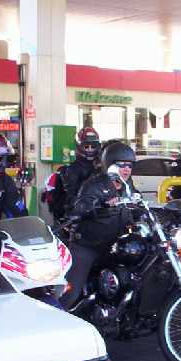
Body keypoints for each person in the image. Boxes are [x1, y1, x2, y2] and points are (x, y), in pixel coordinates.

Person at [59, 140, 139, 310]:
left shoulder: (127, 185)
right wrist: (99, 206)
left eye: (130, 166)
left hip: (115, 244)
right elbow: (80, 206)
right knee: (71, 291)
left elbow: (137, 203)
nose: (126, 169)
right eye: (121, 165)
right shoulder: (95, 184)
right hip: (90, 244)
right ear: (109, 164)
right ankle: (58, 315)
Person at [44, 127, 101, 222]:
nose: (90, 150)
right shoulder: (70, 169)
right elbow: (72, 197)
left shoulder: (101, 167)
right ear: (79, 147)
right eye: (86, 147)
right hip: (77, 218)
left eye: (93, 147)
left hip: (100, 214)